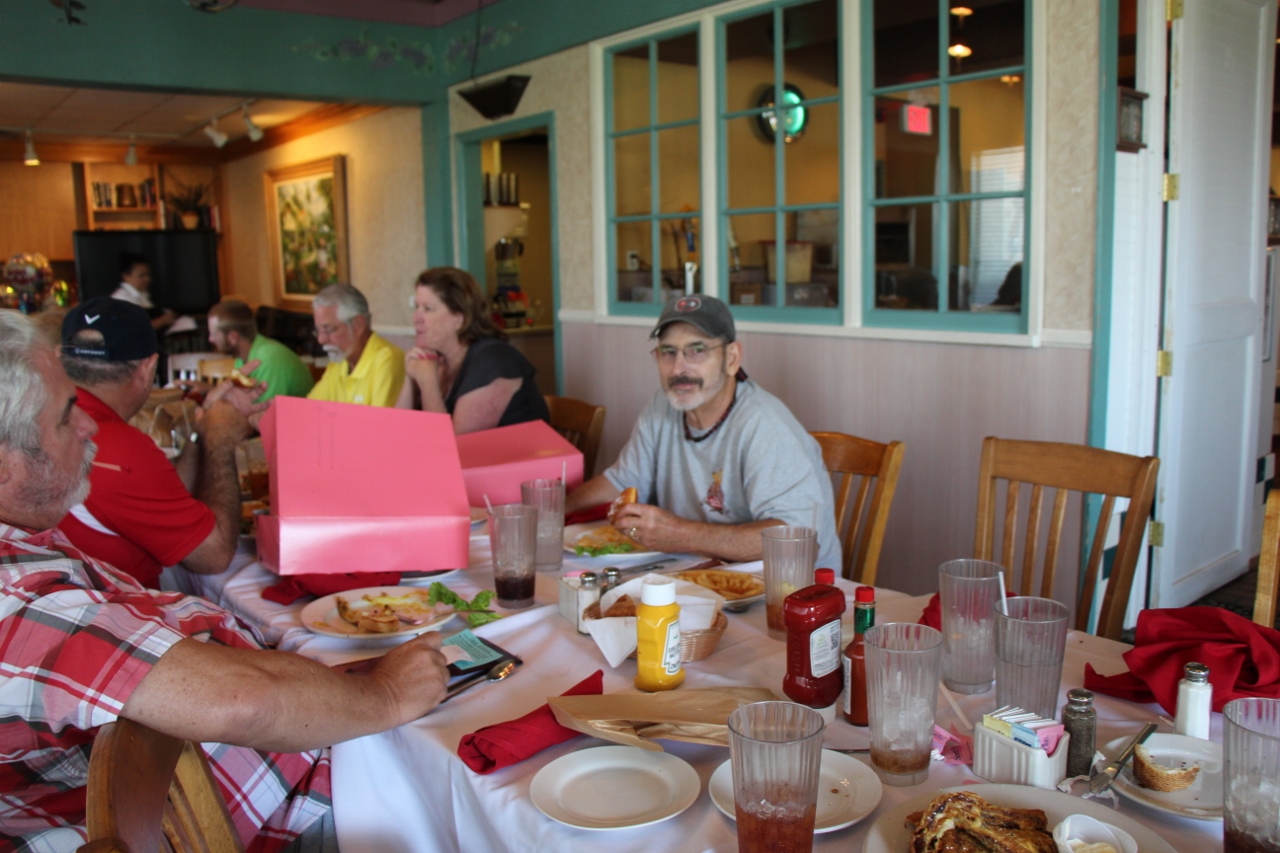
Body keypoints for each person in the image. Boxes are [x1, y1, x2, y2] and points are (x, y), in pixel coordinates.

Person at [0, 308, 449, 852]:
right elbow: (242, 699)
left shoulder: (24, 538)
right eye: (68, 414)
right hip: (262, 806)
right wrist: (386, 693)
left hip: (241, 740)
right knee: (445, 779)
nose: (90, 424)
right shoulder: (19, 602)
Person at [564, 294, 841, 569]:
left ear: (732, 358)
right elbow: (622, 479)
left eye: (697, 350)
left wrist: (680, 535)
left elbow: (794, 538)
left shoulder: (764, 425)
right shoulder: (662, 406)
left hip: (789, 592)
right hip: (698, 574)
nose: (678, 368)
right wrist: (558, 510)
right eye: (668, 352)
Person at [55, 297, 255, 589]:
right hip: (120, 618)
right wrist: (221, 443)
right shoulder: (116, 445)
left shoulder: (51, 419)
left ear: (60, 356)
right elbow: (213, 556)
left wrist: (201, 432)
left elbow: (163, 500)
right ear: (147, 368)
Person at [395, 267, 549, 432]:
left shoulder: (494, 361)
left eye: (427, 309)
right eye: (416, 307)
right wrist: (410, 377)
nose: (416, 318)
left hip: (517, 457)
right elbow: (395, 433)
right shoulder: (438, 359)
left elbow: (452, 449)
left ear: (459, 319)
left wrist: (427, 381)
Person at [307, 282, 404, 407]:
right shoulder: (339, 363)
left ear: (358, 325)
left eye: (329, 330)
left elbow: (380, 425)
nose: (321, 340)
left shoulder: (387, 360)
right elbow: (309, 410)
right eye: (318, 331)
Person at [208, 299, 314, 402]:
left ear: (233, 337)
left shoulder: (268, 359)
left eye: (214, 334)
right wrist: (209, 389)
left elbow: (265, 414)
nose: (210, 339)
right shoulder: (241, 358)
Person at [112, 252, 176, 331]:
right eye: (142, 275)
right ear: (126, 276)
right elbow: (132, 329)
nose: (147, 279)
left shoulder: (143, 295)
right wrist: (162, 321)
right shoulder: (121, 298)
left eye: (148, 275)